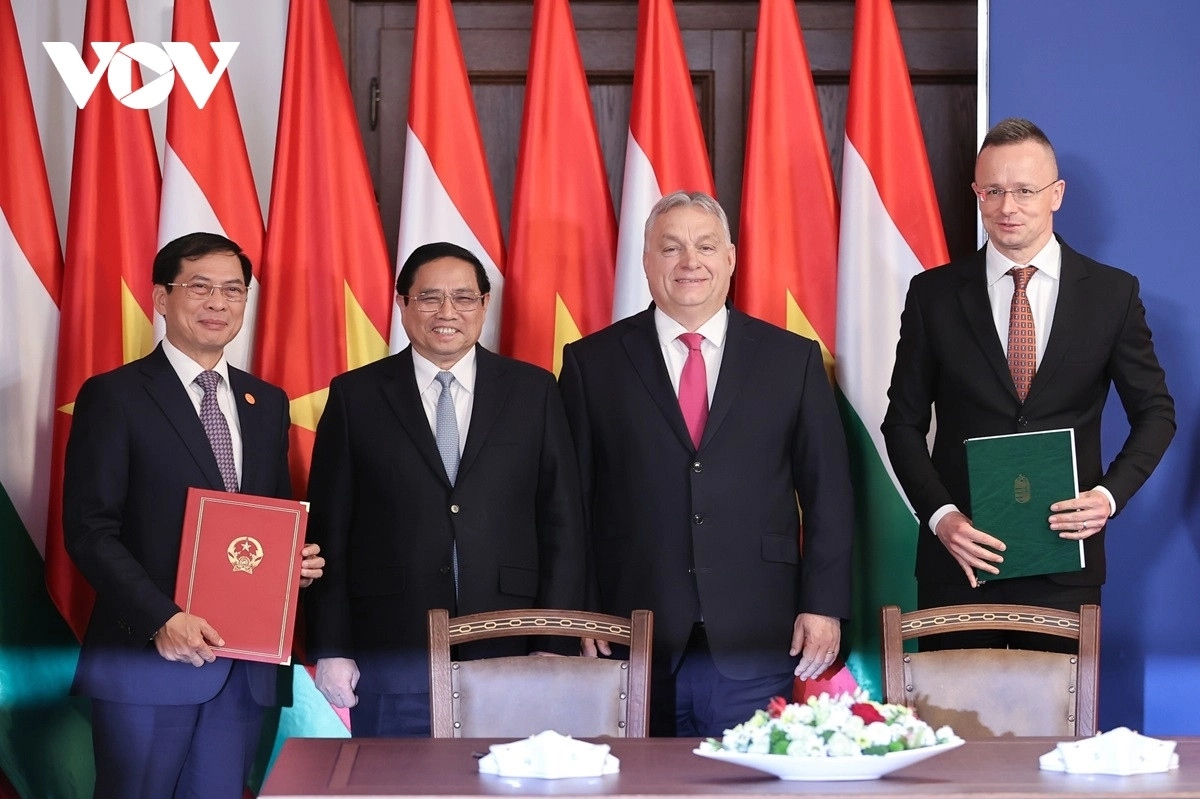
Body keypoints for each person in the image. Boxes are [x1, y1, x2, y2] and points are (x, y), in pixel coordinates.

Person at [558, 191, 855, 737]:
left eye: (705, 246)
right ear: (646, 262)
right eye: (670, 248)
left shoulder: (792, 359)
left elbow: (829, 493)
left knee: (743, 787)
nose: (689, 262)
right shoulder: (591, 364)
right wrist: (581, 607)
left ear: (731, 257)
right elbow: (569, 501)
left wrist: (824, 605)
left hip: (759, 626)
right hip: (631, 629)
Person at [881, 117, 1176, 651]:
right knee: (955, 730)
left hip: (1065, 563)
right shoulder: (933, 295)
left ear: (1056, 194)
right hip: (960, 562)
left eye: (1023, 190)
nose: (1007, 207)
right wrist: (941, 517)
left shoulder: (1112, 295)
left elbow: (1156, 413)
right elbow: (900, 423)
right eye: (992, 190)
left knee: (1058, 731)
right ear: (976, 193)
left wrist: (1109, 496)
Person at [63, 232, 325, 799]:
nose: (218, 303)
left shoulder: (266, 402)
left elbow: (268, 518)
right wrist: (161, 617)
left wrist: (292, 561)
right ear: (161, 298)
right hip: (147, 661)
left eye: (233, 290)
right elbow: (90, 530)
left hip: (244, 669)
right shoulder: (115, 396)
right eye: (200, 287)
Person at [304, 241, 587, 737]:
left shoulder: (533, 391)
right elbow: (330, 530)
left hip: (511, 643)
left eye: (463, 298)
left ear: (484, 304)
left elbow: (562, 520)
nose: (447, 312)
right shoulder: (356, 396)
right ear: (402, 303)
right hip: (392, 645)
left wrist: (554, 639)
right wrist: (332, 647)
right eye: (430, 298)